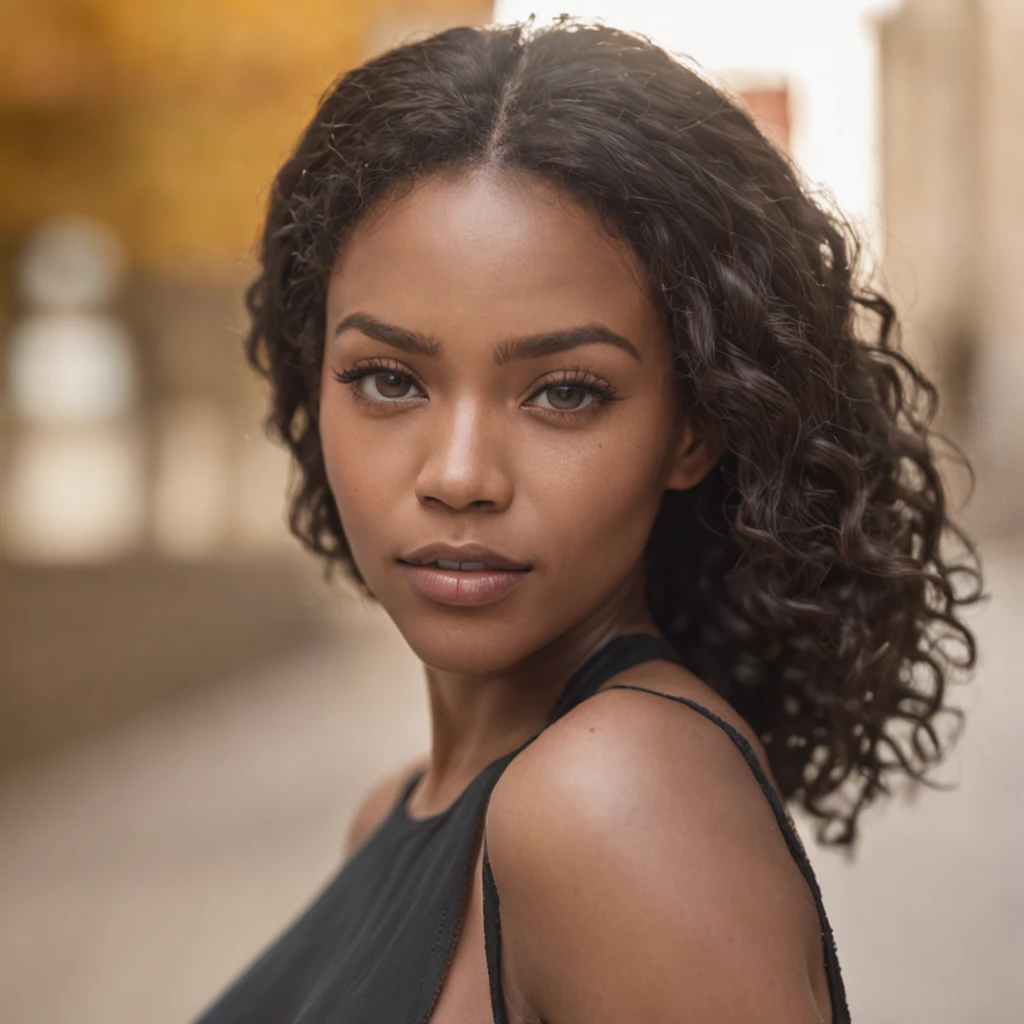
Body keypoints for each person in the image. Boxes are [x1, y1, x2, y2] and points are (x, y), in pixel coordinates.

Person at [194, 18, 980, 1024]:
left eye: (565, 392)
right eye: (388, 379)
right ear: (315, 385)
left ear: (693, 428)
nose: (461, 474)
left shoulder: (613, 802)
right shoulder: (397, 813)